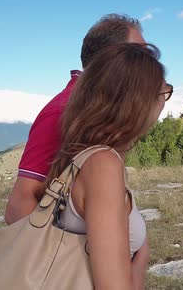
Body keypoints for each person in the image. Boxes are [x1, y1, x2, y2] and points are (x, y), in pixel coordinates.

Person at [47, 43, 172, 289]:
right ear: (138, 102)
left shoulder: (85, 152)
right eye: (163, 92)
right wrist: (142, 258)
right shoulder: (103, 165)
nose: (163, 102)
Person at [5, 13, 145, 225]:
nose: (148, 64)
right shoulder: (62, 111)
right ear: (109, 58)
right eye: (138, 55)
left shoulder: (99, 108)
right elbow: (21, 200)